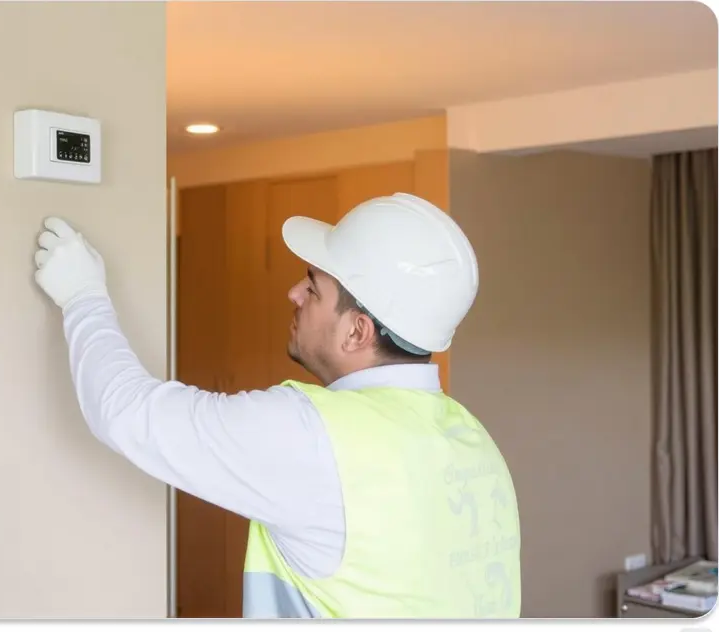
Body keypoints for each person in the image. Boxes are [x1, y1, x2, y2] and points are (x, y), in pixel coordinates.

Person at [32, 192, 521, 619]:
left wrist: (83, 295)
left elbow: (126, 413)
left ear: (357, 331)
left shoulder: (314, 437)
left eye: (313, 286)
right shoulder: (473, 439)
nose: (293, 293)